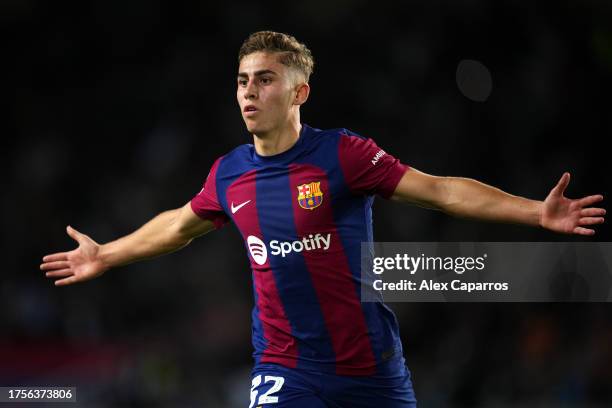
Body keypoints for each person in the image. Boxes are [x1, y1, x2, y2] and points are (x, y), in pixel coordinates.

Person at [40, 31, 606, 407]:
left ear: (298, 92)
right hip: (287, 368)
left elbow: (438, 192)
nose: (248, 92)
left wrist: (535, 211)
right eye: (242, 80)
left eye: (264, 79)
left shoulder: (343, 155)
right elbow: (178, 225)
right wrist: (106, 253)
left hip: (372, 370)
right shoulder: (229, 174)